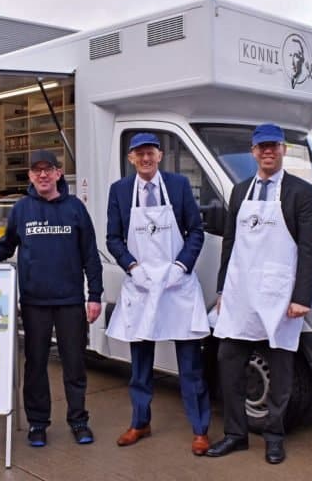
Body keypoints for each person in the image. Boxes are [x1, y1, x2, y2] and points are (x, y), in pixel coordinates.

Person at [0, 150, 103, 448]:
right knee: (36, 365)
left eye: (48, 169)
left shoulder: (76, 209)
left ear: (58, 173)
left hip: (69, 301)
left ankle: (79, 420)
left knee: (74, 364)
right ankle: (38, 424)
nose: (42, 175)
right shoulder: (22, 209)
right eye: (36, 170)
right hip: (34, 302)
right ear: (30, 175)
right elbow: (6, 245)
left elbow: (91, 256)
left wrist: (95, 296)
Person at [206, 123, 312, 464]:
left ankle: (273, 435)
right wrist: (223, 288)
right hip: (241, 292)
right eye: (261, 147)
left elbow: (308, 248)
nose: (267, 152)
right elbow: (230, 243)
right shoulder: (240, 191)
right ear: (253, 152)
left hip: (279, 293)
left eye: (273, 146)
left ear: (283, 149)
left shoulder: (302, 192)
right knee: (228, 359)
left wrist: (302, 297)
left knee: (282, 367)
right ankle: (235, 434)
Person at [105, 132, 211, 456]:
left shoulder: (178, 186)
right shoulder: (120, 191)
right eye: (139, 154)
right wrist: (131, 266)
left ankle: (200, 429)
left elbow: (196, 230)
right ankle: (140, 422)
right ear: (131, 159)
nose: (146, 158)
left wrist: (182, 265)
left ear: (160, 156)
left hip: (177, 286)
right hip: (140, 286)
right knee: (140, 365)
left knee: (190, 365)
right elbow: (113, 238)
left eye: (150, 152)